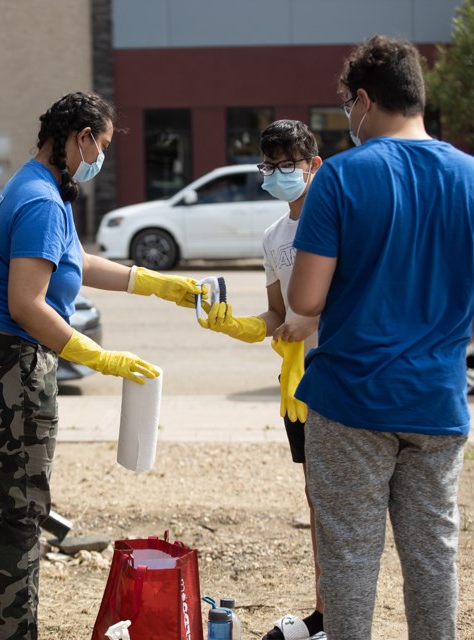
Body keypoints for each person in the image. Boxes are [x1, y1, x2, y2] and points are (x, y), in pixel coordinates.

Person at [0, 91, 201, 640]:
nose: (100, 155)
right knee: (21, 514)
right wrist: (97, 356)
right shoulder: (42, 200)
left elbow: (74, 259)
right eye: (100, 142)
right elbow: (27, 304)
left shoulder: (35, 186)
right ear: (79, 138)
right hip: (1, 365)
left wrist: (153, 284)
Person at [286, 36, 474, 639]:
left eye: (347, 103)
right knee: (433, 555)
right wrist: (441, 341)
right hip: (437, 400)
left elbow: (305, 300)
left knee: (349, 559)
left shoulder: (339, 177)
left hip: (350, 400)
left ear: (364, 100)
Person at [200, 119, 326, 640]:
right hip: (296, 388)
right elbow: (278, 315)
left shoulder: (338, 220)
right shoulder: (275, 235)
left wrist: (313, 323)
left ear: (313, 165)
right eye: (268, 166)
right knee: (317, 501)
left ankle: (340, 616)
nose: (276, 175)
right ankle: (325, 614)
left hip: (341, 380)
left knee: (344, 505)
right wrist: (234, 324)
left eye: (287, 165)